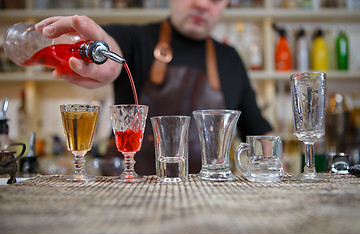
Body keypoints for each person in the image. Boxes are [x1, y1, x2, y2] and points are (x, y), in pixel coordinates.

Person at [35, 0, 273, 175]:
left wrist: (275, 167)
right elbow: (110, 46)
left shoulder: (230, 59)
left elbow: (259, 132)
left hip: (208, 199)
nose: (202, 4)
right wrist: (100, 54)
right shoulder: (136, 40)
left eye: (214, 0)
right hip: (125, 192)